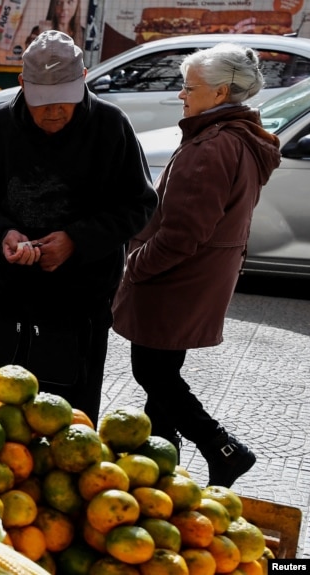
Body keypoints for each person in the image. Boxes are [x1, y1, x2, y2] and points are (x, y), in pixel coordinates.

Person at [0, 30, 157, 422]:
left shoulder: (111, 126)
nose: (53, 112)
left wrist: (76, 242)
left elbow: (139, 204)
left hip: (81, 304)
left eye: (64, 100)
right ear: (22, 85)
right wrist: (1, 236)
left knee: (70, 418)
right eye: (43, 102)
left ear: (83, 78)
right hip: (7, 296)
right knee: (1, 415)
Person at [111, 43, 280, 488]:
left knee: (154, 374)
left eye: (189, 87)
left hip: (175, 282)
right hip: (196, 280)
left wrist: (136, 266)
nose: (182, 95)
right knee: (161, 375)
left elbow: (182, 234)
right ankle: (160, 466)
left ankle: (224, 450)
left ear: (221, 92)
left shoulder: (212, 147)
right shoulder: (236, 138)